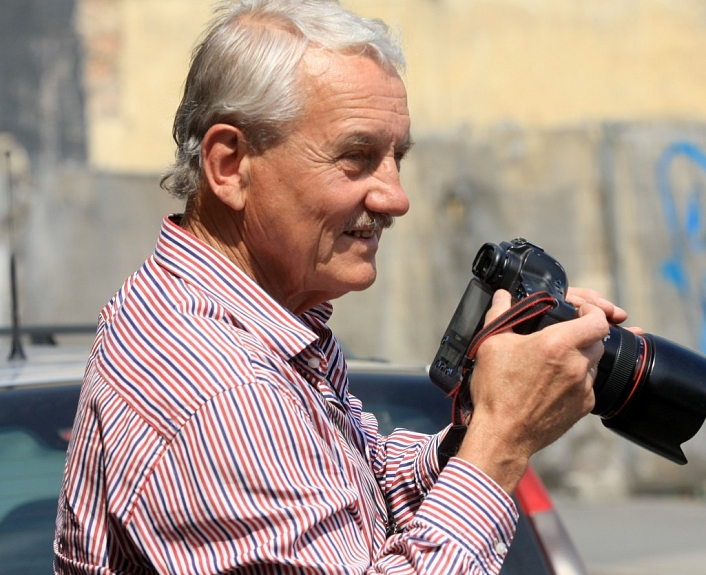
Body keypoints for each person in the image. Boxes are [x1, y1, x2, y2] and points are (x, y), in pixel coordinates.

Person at [54, 1, 629, 573]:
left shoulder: (244, 325)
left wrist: (496, 407)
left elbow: (355, 502)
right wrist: (501, 441)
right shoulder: (218, 389)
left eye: (395, 157)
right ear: (229, 166)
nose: (395, 197)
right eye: (356, 157)